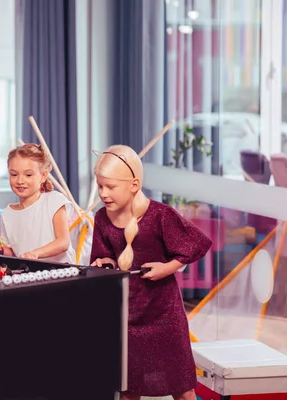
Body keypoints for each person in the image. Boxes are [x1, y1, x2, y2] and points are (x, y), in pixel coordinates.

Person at [89, 145, 212, 400]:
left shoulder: (160, 215)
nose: (103, 193)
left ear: (134, 184)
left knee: (181, 385)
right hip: (126, 313)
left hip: (163, 312)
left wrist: (167, 268)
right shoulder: (101, 218)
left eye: (110, 187)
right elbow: (105, 256)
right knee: (128, 384)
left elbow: (196, 244)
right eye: (100, 186)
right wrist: (105, 263)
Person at [0, 144, 74, 263]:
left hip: (62, 274)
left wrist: (34, 254)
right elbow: (14, 252)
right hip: (29, 276)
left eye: (28, 175)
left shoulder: (54, 201)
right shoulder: (7, 214)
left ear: (43, 176)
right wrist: (1, 250)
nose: (20, 181)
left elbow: (63, 242)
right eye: (14, 174)